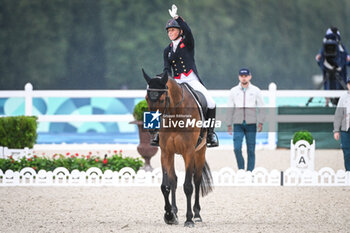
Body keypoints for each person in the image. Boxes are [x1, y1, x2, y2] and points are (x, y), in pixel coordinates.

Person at [151, 4, 219, 147]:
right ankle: (157, 133)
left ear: (179, 31)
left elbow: (188, 31)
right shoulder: (167, 50)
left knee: (211, 103)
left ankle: (211, 134)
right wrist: (164, 79)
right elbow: (166, 68)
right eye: (168, 30)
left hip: (191, 79)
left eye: (173, 29)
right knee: (160, 100)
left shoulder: (187, 43)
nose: (170, 32)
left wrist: (177, 18)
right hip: (177, 81)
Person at [226, 68, 265, 171]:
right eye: (242, 76)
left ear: (250, 76)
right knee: (237, 148)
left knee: (251, 150)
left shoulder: (256, 90)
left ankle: (250, 171)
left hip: (251, 123)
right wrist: (228, 124)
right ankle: (241, 169)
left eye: (246, 76)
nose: (244, 78)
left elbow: (261, 107)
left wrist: (261, 122)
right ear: (239, 77)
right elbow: (230, 108)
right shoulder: (233, 91)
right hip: (238, 123)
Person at [315, 27, 350, 105]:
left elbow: (320, 61)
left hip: (338, 79)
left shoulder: (339, 47)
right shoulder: (340, 47)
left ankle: (328, 102)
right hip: (336, 78)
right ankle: (328, 101)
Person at [333, 77, 350, 171]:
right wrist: (336, 130)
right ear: (347, 85)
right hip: (346, 128)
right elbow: (338, 114)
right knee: (347, 152)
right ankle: (348, 172)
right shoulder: (343, 98)